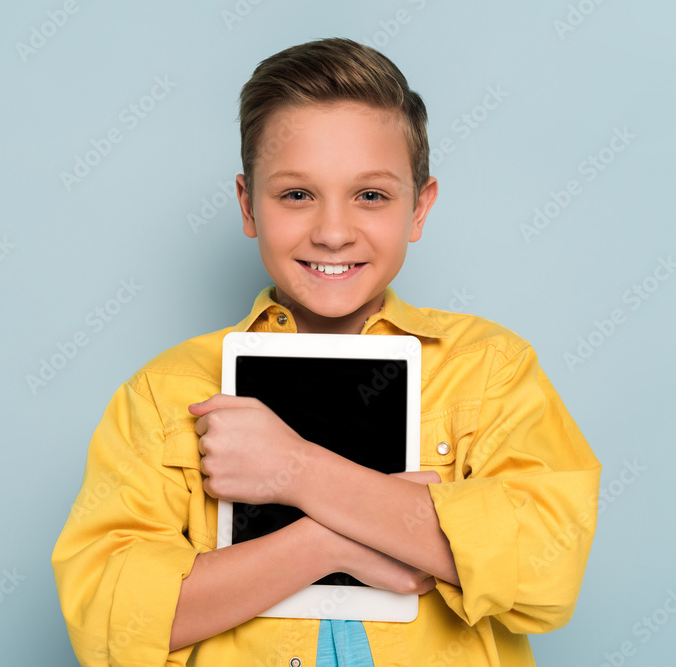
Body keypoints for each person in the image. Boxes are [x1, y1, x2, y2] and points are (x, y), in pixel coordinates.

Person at [52, 37, 601, 666]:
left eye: (371, 195)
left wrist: (300, 470)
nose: (333, 232)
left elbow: (547, 571)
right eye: (296, 195)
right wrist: (328, 545)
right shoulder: (164, 392)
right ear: (247, 204)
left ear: (419, 208)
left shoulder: (491, 370)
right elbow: (109, 622)